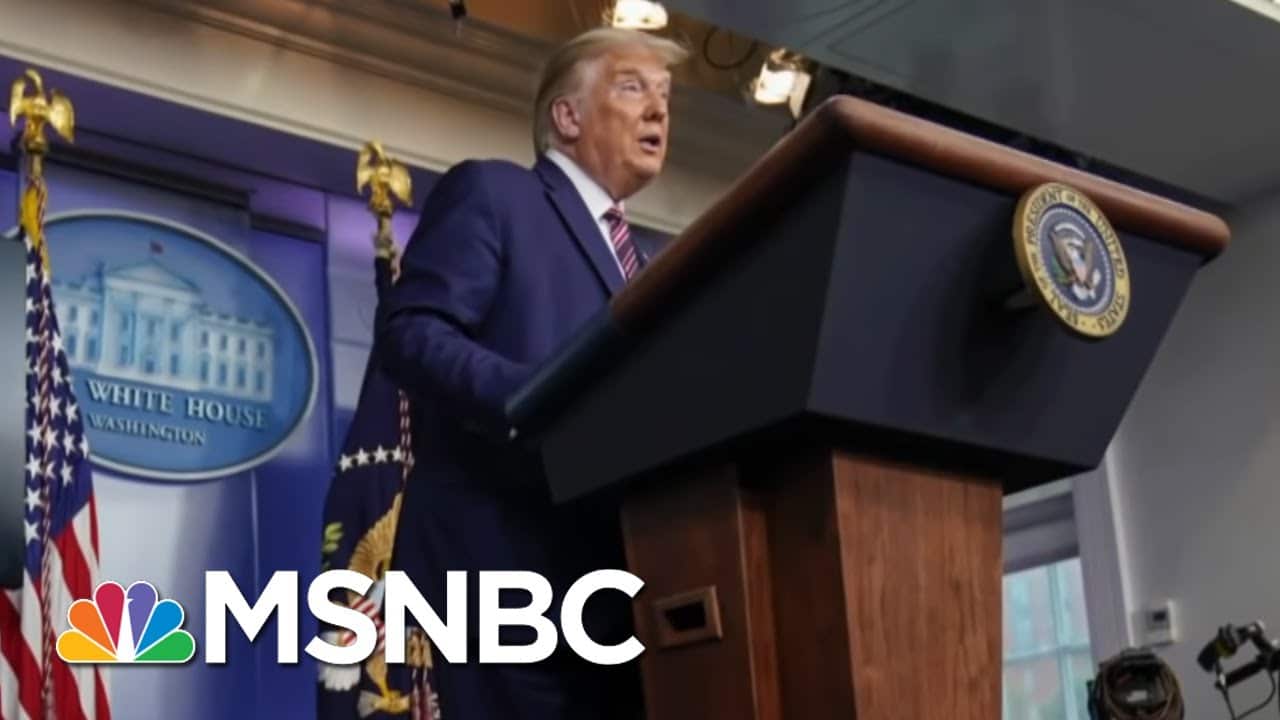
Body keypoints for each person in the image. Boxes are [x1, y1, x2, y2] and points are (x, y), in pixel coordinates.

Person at [377, 27, 688, 720]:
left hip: (617, 577)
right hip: (505, 560)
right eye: (632, 87)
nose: (658, 110)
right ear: (567, 117)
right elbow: (412, 333)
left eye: (665, 96)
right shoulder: (496, 193)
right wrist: (542, 401)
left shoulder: (647, 265)